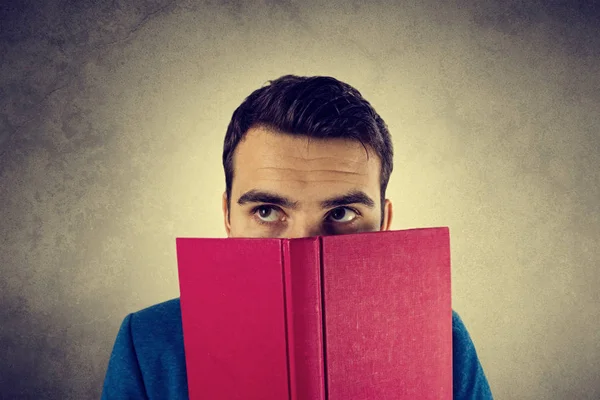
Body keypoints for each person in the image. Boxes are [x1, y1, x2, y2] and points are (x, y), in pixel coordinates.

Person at [101, 75, 493, 399]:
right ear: (228, 217)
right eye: (267, 212)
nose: (304, 246)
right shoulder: (147, 342)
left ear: (384, 224)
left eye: (341, 214)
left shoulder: (441, 337)